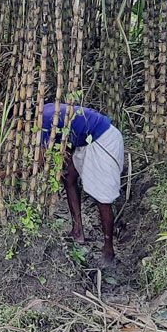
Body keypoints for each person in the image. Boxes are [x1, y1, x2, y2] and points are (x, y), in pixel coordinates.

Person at [39, 102, 124, 266]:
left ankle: (109, 249)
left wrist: (10, 173)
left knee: (103, 198)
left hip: (103, 140)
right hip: (85, 141)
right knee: (68, 177)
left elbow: (40, 162)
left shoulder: (43, 122)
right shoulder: (46, 109)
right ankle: (78, 231)